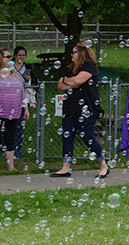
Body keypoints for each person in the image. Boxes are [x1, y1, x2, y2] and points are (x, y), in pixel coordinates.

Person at [51, 42, 109, 179]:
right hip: (70, 108)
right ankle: (65, 167)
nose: (71, 55)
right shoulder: (71, 69)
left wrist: (68, 80)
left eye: (74, 52)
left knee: (88, 137)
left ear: (82, 54)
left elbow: (77, 81)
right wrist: (69, 80)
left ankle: (103, 165)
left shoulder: (89, 66)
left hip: (86, 109)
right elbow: (60, 85)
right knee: (67, 137)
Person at [0, 48, 29, 172]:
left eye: (9, 57)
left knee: (10, 139)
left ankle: (11, 167)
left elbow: (21, 92)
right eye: (7, 57)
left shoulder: (14, 73)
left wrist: (26, 108)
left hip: (13, 112)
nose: (10, 59)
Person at [12, 46, 38, 159]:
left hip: (22, 99)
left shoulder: (27, 67)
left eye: (23, 55)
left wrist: (29, 80)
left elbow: (35, 83)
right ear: (14, 56)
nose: (21, 57)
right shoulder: (9, 67)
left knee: (19, 125)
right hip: (10, 98)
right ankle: (5, 149)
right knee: (7, 126)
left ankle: (17, 151)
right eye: (19, 55)